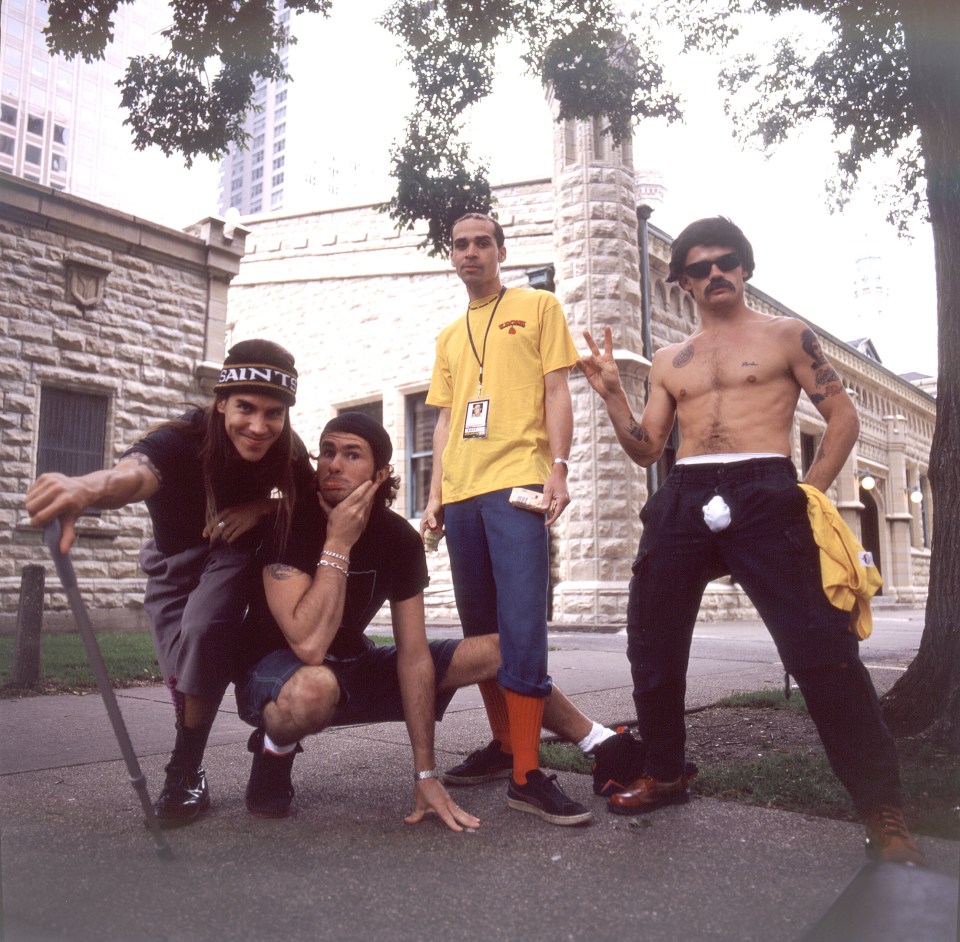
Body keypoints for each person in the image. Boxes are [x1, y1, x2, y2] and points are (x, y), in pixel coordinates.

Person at [578, 216, 925, 865]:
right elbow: (647, 448)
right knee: (651, 641)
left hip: (766, 487)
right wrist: (613, 396)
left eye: (726, 261)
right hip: (684, 491)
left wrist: (807, 492)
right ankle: (666, 770)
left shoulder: (786, 335)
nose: (715, 272)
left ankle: (882, 807)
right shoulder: (669, 360)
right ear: (683, 281)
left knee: (822, 649)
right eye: (700, 266)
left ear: (744, 269)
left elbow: (842, 417)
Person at [235, 413, 639, 828]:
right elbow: (308, 645)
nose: (333, 465)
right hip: (276, 678)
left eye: (351, 455)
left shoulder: (398, 539)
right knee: (314, 688)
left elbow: (413, 657)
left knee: (503, 650)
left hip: (353, 667)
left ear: (380, 474)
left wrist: (425, 774)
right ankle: (274, 751)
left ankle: (602, 743)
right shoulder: (291, 523)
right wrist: (338, 541)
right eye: (327, 452)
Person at [25, 339, 313, 828]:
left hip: (230, 555)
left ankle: (183, 772)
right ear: (221, 402)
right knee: (183, 670)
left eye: (274, 413)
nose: (258, 426)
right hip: (171, 562)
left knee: (202, 629)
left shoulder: (286, 448)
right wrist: (85, 488)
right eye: (245, 407)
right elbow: (134, 475)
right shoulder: (179, 439)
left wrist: (261, 508)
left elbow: (307, 494)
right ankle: (195, 766)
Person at [419, 212, 626, 826]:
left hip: (517, 483)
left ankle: (527, 774)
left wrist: (558, 467)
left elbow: (557, 390)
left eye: (482, 243)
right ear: (451, 256)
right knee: (483, 634)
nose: (471, 252)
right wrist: (434, 495)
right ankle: (506, 744)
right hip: (462, 493)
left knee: (523, 628)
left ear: (501, 252)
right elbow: (445, 419)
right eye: (460, 245)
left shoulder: (538, 306)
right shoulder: (448, 336)